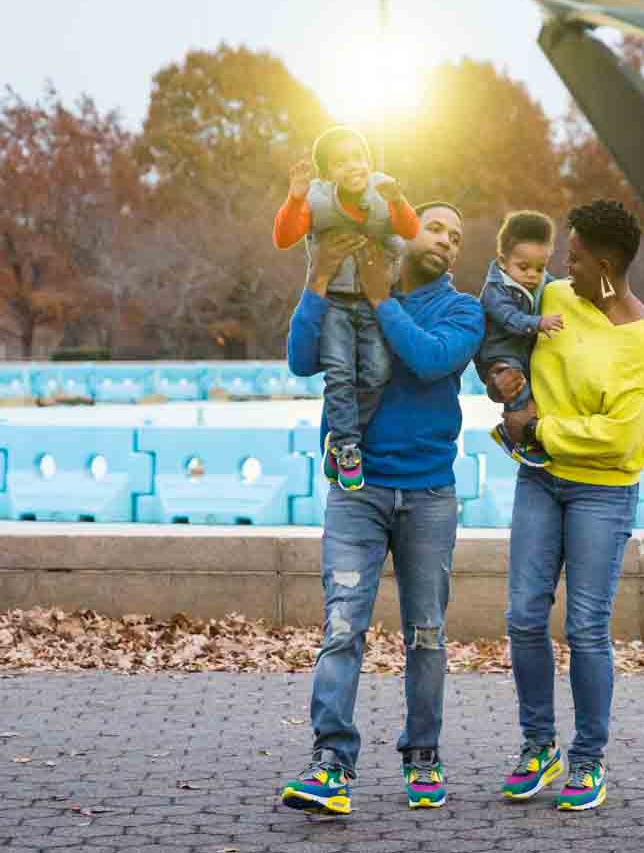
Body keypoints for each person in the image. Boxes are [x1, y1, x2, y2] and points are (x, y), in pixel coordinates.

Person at [278, 201, 484, 815]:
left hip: (427, 495)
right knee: (342, 628)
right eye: (438, 227)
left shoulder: (462, 310)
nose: (448, 240)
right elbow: (299, 359)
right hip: (356, 490)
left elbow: (428, 360)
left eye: (458, 235)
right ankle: (331, 765)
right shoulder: (353, 288)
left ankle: (423, 756)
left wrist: (382, 302)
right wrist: (318, 282)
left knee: (426, 635)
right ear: (405, 228)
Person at [486, 199, 644, 811]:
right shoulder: (556, 298)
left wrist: (542, 431)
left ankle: (588, 761)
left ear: (608, 265)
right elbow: (505, 333)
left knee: (587, 628)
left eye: (578, 258)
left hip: (602, 490)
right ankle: (539, 746)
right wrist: (500, 379)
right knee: (522, 616)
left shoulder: (643, 336)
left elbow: (623, 435)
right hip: (540, 480)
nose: (565, 268)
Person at [273, 126, 419, 491]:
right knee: (339, 372)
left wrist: (398, 201)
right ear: (327, 174)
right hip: (335, 302)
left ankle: (339, 440)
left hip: (372, 303)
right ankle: (347, 447)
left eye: (358, 157)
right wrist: (294, 198)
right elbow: (283, 238)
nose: (353, 166)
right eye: (340, 162)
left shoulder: (382, 190)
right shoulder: (318, 200)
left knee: (377, 371)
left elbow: (410, 229)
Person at [475, 210, 564, 467]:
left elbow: (555, 285)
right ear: (503, 261)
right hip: (499, 353)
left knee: (538, 393)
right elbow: (510, 319)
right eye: (523, 267)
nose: (532, 275)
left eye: (540, 268)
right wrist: (538, 323)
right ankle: (512, 434)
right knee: (517, 391)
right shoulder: (494, 289)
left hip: (523, 350)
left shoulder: (540, 280)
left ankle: (528, 431)